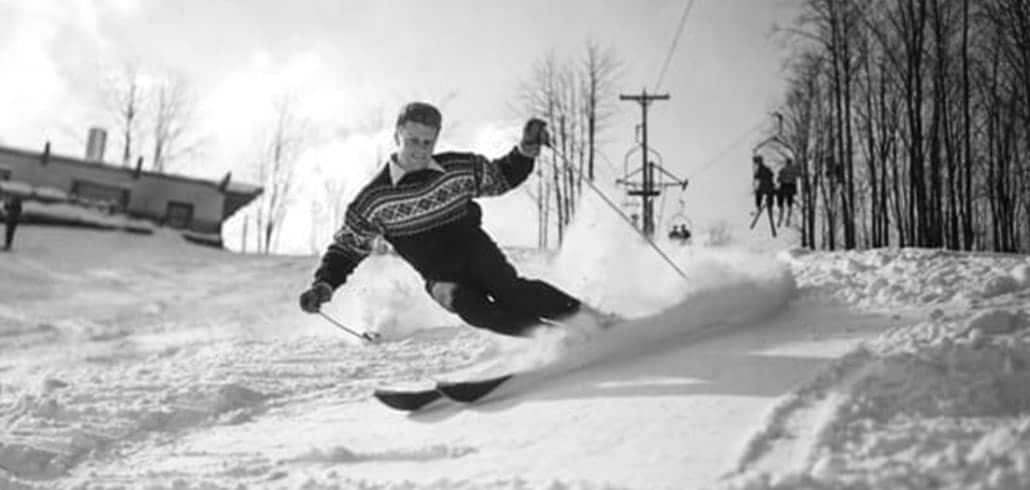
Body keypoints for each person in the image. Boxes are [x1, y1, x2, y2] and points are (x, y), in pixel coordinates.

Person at [299, 102, 603, 337]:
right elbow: (346, 249)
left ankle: (591, 319)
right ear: (397, 136)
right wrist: (324, 285)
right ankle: (550, 338)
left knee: (511, 293)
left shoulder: (456, 169)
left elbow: (501, 177)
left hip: (475, 252)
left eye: (427, 142)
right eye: (412, 140)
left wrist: (525, 150)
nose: (420, 150)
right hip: (440, 276)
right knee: (476, 311)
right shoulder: (374, 199)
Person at [776, 158, 801, 227]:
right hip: (791, 187)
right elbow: (799, 175)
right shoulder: (794, 169)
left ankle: (781, 208)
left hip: (784, 186)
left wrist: (779, 179)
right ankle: (789, 209)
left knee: (780, 197)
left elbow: (779, 178)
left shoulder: (783, 169)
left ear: (786, 162)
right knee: (789, 199)